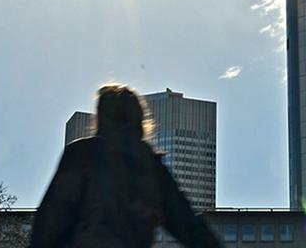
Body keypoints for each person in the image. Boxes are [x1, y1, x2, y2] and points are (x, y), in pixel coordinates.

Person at [31, 84, 221, 248]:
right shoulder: (152, 167)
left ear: (102, 118)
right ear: (139, 120)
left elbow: (49, 223)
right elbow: (190, 227)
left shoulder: (82, 154)